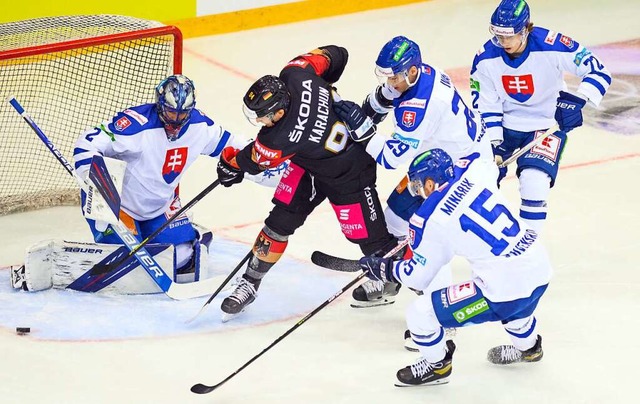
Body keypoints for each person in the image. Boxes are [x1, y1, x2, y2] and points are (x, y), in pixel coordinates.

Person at [216, 46, 403, 321]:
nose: (258, 121)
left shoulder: (278, 137)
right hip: (312, 165)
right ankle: (249, 283)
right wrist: (324, 92)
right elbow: (338, 54)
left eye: (262, 116)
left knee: (372, 240)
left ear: (278, 112)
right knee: (279, 221)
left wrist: (229, 164)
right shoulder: (297, 73)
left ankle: (392, 281)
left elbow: (252, 160)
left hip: (349, 171)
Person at [357, 148, 553, 386]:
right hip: (539, 266)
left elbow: (418, 278)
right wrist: (496, 167)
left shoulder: (430, 220)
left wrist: (385, 269)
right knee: (518, 308)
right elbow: (493, 166)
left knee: (420, 314)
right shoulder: (474, 170)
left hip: (505, 290)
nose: (418, 191)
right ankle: (530, 349)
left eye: (418, 185)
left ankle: (437, 366)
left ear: (430, 183)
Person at [332, 35, 495, 307]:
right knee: (395, 219)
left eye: (394, 77)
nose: (390, 82)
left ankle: (438, 312)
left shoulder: (418, 108)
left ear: (411, 71)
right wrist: (370, 108)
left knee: (430, 235)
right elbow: (389, 94)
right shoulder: (424, 73)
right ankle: (392, 281)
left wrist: (362, 129)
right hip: (438, 164)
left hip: (464, 172)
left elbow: (390, 157)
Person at [73, 74, 272, 283]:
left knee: (182, 261)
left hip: (160, 206)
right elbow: (87, 143)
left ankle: (192, 236)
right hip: (119, 206)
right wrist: (96, 182)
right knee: (129, 269)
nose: (176, 120)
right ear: (160, 104)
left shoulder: (199, 125)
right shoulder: (135, 125)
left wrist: (267, 156)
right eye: (170, 112)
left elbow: (233, 145)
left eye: (183, 113)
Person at [470, 0, 611, 232]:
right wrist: (493, 143)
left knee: (535, 183)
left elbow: (597, 69)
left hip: (545, 125)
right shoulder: (485, 58)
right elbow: (487, 105)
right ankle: (488, 251)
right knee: (481, 184)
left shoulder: (552, 44)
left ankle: (528, 249)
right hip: (505, 126)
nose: (503, 42)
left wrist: (577, 101)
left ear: (526, 29)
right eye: (498, 36)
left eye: (509, 36)